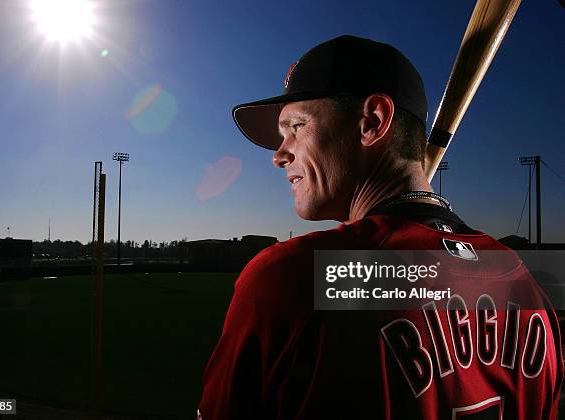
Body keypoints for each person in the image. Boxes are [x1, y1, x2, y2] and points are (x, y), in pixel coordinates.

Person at [197, 35, 563, 419]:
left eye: (296, 126)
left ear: (371, 122)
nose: (278, 155)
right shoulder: (525, 285)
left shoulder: (297, 277)